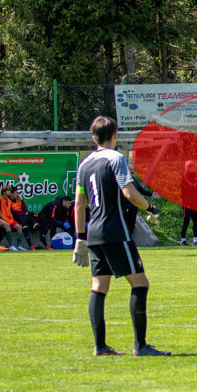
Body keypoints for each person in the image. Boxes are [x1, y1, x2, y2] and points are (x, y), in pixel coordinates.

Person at [73, 115, 168, 357]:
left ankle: (100, 347)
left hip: (93, 233)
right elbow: (129, 193)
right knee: (140, 283)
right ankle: (140, 346)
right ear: (115, 135)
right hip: (115, 231)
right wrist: (150, 207)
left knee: (99, 287)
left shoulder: (84, 164)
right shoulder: (116, 158)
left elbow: (79, 204)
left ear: (93, 137)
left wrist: (80, 238)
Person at [180, 160, 197, 246]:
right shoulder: (185, 174)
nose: (195, 168)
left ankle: (196, 240)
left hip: (195, 201)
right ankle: (183, 240)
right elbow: (191, 186)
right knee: (186, 221)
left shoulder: (195, 175)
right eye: (193, 166)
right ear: (188, 167)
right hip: (187, 202)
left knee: (196, 221)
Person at [0, 184, 29, 250]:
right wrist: (2, 218)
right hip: (2, 219)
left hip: (9, 218)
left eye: (10, 191)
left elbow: (10, 210)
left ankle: (19, 246)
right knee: (7, 226)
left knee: (19, 227)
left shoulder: (9, 201)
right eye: (8, 191)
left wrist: (10, 214)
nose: (9, 192)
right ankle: (11, 245)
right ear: (4, 192)